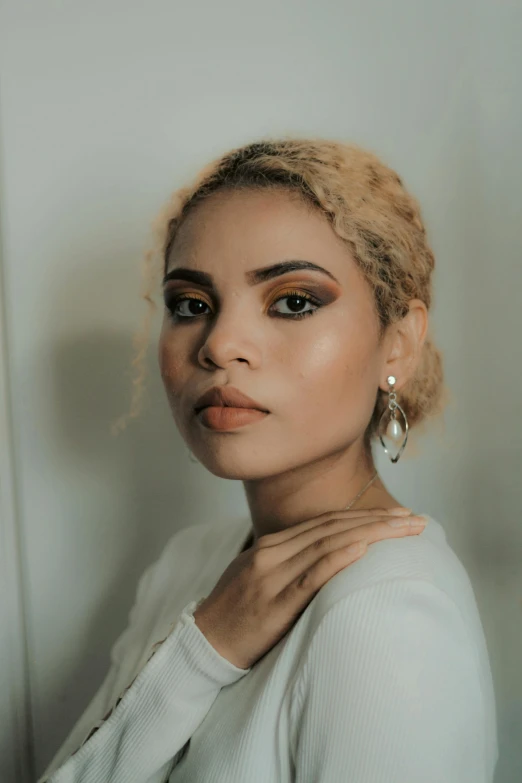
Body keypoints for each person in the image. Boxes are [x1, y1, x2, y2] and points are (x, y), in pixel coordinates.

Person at [38, 138, 498, 782]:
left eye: (293, 302)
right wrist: (204, 648)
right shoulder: (190, 562)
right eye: (191, 306)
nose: (221, 345)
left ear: (397, 346)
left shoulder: (387, 607)